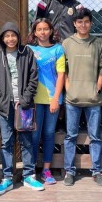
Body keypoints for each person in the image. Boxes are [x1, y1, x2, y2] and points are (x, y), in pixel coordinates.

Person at [0, 22, 44, 195]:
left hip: (24, 106)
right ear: (2, 38)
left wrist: (25, 99)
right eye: (6, 36)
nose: (10, 39)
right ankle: (7, 178)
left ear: (18, 37)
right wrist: (0, 99)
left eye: (13, 35)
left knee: (26, 140)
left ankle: (29, 176)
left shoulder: (26, 53)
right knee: (6, 142)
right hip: (5, 107)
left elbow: (34, 77)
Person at [61, 8, 102, 187]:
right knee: (70, 136)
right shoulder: (67, 43)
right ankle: (69, 171)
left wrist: (98, 86)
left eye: (86, 21)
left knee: (95, 136)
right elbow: (62, 68)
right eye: (79, 22)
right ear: (74, 24)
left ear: (91, 23)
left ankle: (96, 172)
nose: (83, 25)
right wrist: (68, 88)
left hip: (93, 99)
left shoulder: (98, 43)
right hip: (72, 99)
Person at [33, 0, 84, 131]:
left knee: (69, 83)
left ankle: (68, 122)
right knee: (54, 82)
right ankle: (51, 122)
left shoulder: (77, 6)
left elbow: (82, 27)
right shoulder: (44, 4)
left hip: (70, 50)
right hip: (50, 50)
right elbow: (36, 25)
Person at [27, 18, 65, 185]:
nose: (42, 32)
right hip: (33, 100)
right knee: (34, 135)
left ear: (51, 31)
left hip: (52, 100)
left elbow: (61, 76)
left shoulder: (58, 49)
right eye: (39, 29)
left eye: (45, 29)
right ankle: (31, 170)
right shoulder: (29, 49)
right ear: (34, 32)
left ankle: (46, 170)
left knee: (49, 134)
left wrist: (56, 99)